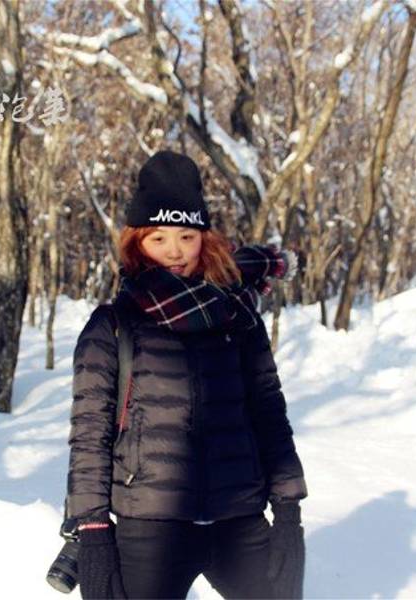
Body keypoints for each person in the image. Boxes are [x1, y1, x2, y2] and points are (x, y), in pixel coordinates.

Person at [65, 150, 308, 599]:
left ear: (204, 239)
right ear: (136, 242)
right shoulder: (113, 325)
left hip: (239, 520)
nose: (174, 251)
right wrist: (93, 527)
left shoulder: (238, 317)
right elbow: (89, 435)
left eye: (186, 236)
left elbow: (269, 414)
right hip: (150, 527)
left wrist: (289, 509)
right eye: (158, 238)